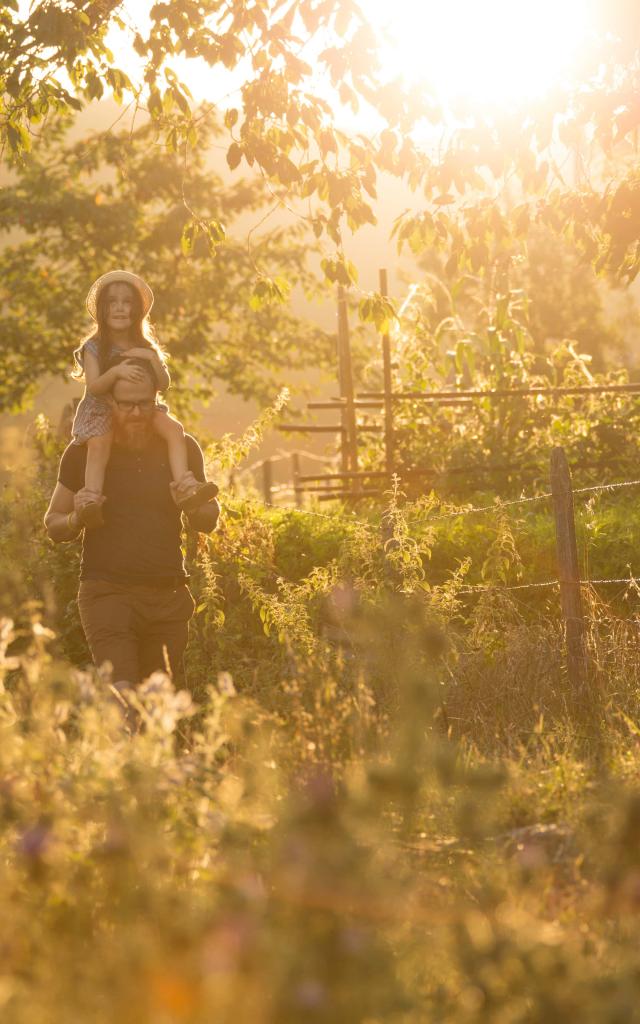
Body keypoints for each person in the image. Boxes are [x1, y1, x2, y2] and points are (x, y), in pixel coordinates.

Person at [44, 352, 220, 693]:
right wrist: (79, 516)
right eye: (127, 405)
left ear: (157, 399)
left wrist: (193, 503)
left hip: (167, 595)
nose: (137, 413)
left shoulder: (181, 448)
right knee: (122, 698)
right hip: (108, 592)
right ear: (109, 401)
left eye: (146, 403)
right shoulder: (83, 452)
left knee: (158, 709)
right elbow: (53, 524)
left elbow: (209, 519)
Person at [71, 269, 217, 527]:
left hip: (143, 407)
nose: (119, 308)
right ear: (103, 310)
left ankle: (185, 487)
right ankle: (90, 502)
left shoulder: (144, 345)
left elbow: (164, 384)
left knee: (174, 429)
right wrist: (116, 372)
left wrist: (152, 358)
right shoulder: (93, 347)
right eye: (112, 302)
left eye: (127, 302)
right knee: (99, 446)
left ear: (136, 310)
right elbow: (94, 387)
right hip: (102, 409)